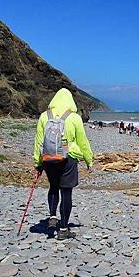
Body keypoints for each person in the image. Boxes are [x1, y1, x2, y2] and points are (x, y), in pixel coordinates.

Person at [33, 88, 93, 241]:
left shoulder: (44, 116)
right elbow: (83, 142)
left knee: (53, 187)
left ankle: (52, 217)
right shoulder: (74, 117)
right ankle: (64, 229)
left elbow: (39, 142)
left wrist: (38, 163)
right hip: (68, 159)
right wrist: (89, 160)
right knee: (66, 193)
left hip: (48, 159)